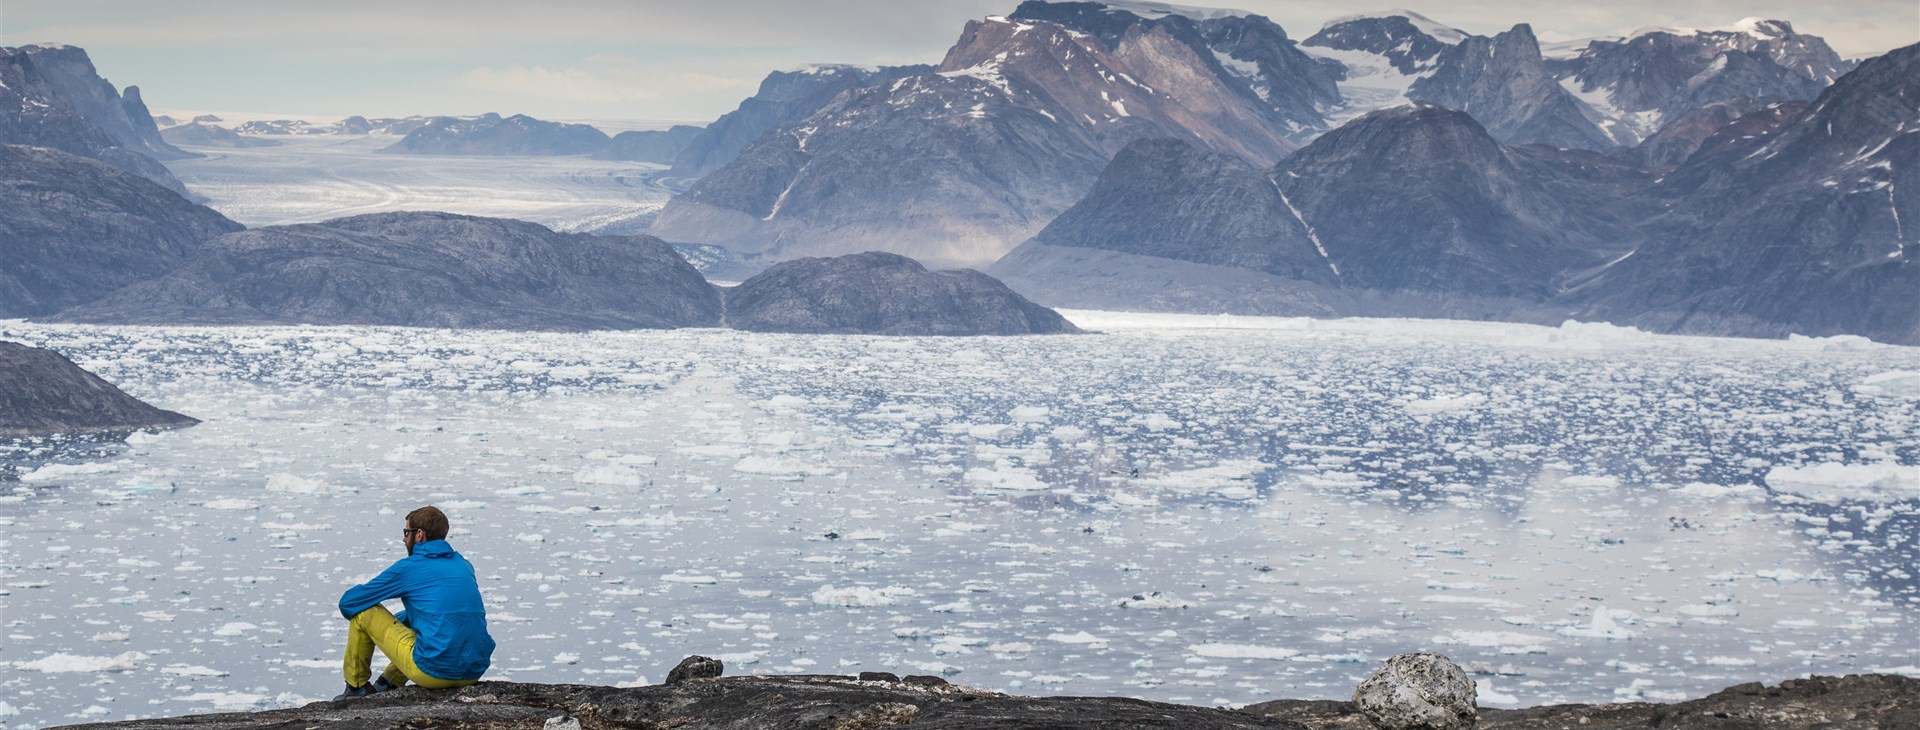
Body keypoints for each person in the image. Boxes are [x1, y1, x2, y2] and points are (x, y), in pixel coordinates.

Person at [334, 505, 496, 700]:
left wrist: (375, 630)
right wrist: (399, 621)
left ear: (419, 534)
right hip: (474, 671)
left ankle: (356, 688)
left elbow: (350, 602)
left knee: (364, 612)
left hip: (433, 674)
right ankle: (388, 682)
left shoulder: (410, 567)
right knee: (421, 617)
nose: (404, 539)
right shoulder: (463, 564)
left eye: (406, 532)